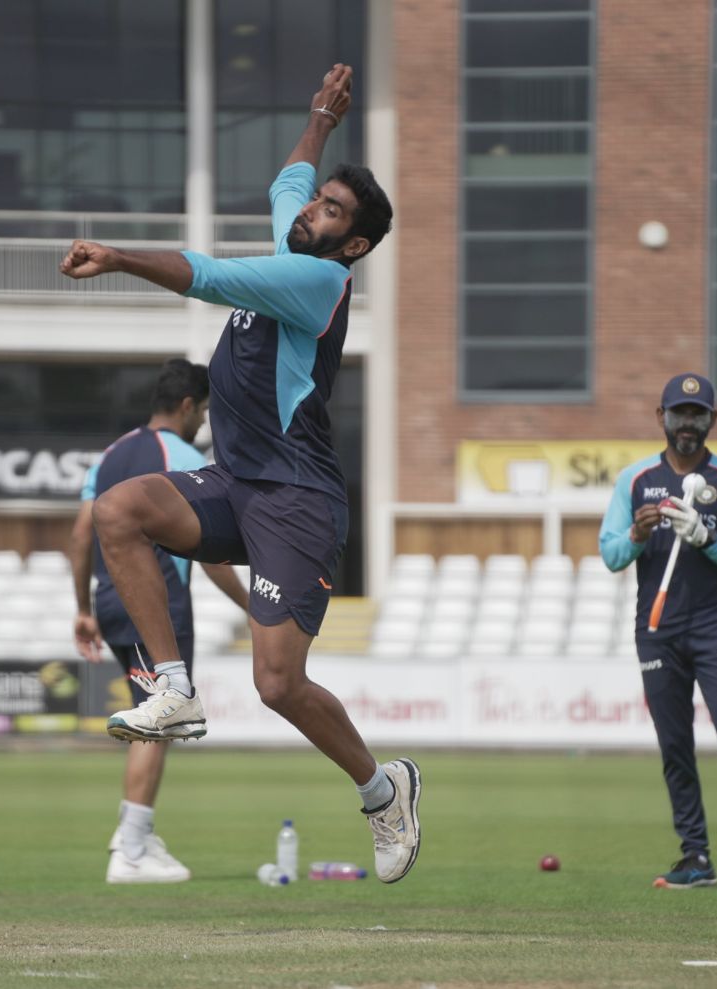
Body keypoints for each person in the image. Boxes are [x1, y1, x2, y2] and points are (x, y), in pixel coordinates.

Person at [59, 64, 421, 884]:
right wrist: (319, 123)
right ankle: (174, 685)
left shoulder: (318, 279)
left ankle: (383, 790)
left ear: (352, 243)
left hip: (297, 499)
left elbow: (211, 277)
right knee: (119, 510)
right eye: (317, 202)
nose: (309, 211)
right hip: (238, 482)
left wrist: (116, 255)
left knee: (277, 683)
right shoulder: (299, 234)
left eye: (330, 211)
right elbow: (288, 177)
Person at [67, 358, 250, 885]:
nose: (204, 423)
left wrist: (82, 607)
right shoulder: (185, 456)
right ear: (189, 405)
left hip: (109, 598)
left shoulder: (112, 453)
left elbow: (82, 534)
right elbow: (210, 548)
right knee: (160, 719)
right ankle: (130, 850)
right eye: (205, 412)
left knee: (150, 712)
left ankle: (135, 835)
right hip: (156, 604)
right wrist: (251, 607)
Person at [599, 372, 717, 893]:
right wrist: (637, 533)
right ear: (662, 418)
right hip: (656, 630)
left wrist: (706, 536)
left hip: (716, 627)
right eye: (679, 414)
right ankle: (695, 856)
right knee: (674, 745)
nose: (688, 425)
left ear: (712, 421)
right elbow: (611, 554)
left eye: (698, 416)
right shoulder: (635, 481)